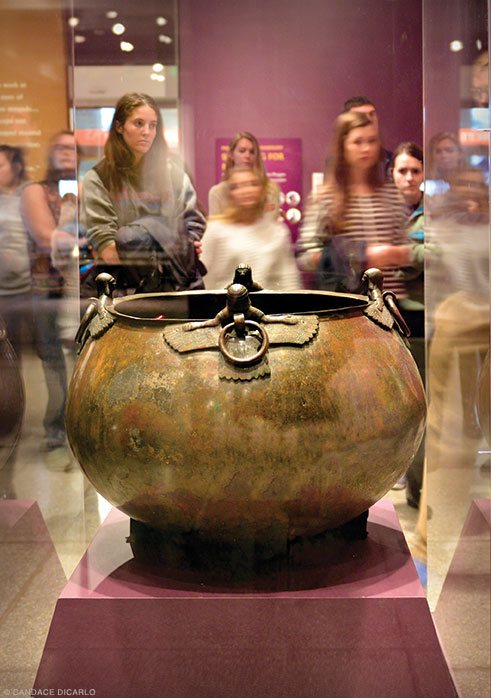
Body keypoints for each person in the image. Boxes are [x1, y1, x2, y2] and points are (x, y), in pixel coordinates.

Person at [80, 92, 206, 293]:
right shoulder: (99, 177)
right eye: (138, 123)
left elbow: (193, 224)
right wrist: (174, 250)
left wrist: (181, 250)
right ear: (120, 127)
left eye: (152, 125)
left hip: (175, 286)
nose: (146, 131)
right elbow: (108, 251)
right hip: (123, 288)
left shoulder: (172, 172)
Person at [298, 111, 409, 295]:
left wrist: (397, 253)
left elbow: (406, 249)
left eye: (372, 141)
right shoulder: (326, 197)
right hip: (353, 304)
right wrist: (359, 256)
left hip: (392, 300)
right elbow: (306, 256)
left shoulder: (391, 194)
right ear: (343, 146)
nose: (366, 148)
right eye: (358, 142)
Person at [21, 130, 79, 471]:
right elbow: (46, 237)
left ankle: (80, 433)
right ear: (50, 154)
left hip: (80, 290)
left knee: (81, 366)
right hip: (46, 293)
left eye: (73, 149)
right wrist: (80, 237)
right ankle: (56, 434)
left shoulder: (85, 188)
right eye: (59, 147)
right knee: (55, 371)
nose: (66, 154)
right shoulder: (35, 191)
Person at [391, 142, 425, 505]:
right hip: (386, 311)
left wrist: (401, 253)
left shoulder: (429, 213)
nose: (409, 178)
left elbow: (433, 252)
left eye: (415, 170)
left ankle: (414, 474)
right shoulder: (384, 211)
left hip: (418, 312)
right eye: (402, 171)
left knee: (416, 397)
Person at [201, 166, 300, 291]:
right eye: (237, 186)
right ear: (230, 194)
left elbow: (288, 279)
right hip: (226, 306)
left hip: (268, 307)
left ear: (263, 190)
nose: (246, 191)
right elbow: (204, 278)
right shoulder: (215, 230)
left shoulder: (278, 232)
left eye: (253, 184)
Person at [0, 145, 31, 363]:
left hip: (28, 289)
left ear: (17, 167)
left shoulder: (29, 194)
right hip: (2, 290)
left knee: (20, 353)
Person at [208, 131, 280, 219]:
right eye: (242, 151)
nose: (247, 156)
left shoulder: (271, 189)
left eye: (252, 152)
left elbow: (270, 224)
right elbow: (216, 228)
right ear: (231, 155)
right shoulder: (217, 192)